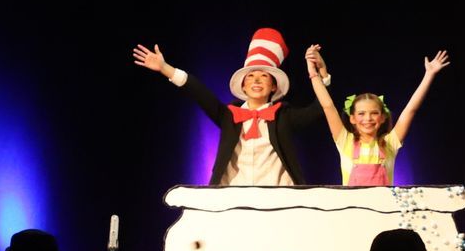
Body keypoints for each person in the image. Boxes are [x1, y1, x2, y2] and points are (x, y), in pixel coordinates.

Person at [133, 28, 324, 186]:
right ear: (243, 85)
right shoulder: (229, 115)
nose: (256, 80)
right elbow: (199, 92)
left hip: (277, 200)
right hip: (233, 200)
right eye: (250, 76)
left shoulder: (283, 115)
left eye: (264, 75)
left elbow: (320, 108)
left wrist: (320, 75)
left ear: (274, 86)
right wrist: (165, 68)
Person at [302, 44, 451, 186]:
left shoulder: (390, 143)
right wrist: (313, 71)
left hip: (383, 211)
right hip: (352, 210)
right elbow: (328, 106)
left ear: (383, 117)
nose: (368, 119)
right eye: (361, 113)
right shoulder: (345, 141)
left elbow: (410, 109)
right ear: (352, 118)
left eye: (374, 113)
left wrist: (429, 75)